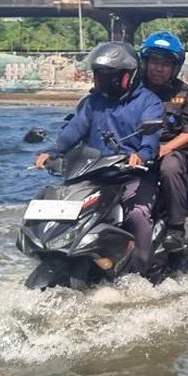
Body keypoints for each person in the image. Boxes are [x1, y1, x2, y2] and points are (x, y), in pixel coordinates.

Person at [34, 41, 164, 274]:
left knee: (137, 214)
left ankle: (141, 271)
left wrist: (141, 156)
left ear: (129, 76)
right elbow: (74, 131)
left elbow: (151, 141)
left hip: (131, 175)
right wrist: (53, 152)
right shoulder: (93, 103)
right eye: (100, 76)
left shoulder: (149, 101)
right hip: (93, 173)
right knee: (61, 205)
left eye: (111, 76)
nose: (105, 81)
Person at [140, 31, 188, 242]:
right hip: (135, 148)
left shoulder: (183, 92)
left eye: (165, 63)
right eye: (155, 61)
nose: (158, 68)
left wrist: (167, 148)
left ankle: (176, 228)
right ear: (146, 62)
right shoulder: (132, 89)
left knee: (170, 167)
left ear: (174, 67)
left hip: (170, 150)